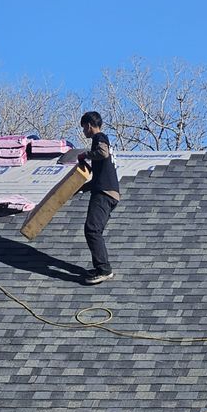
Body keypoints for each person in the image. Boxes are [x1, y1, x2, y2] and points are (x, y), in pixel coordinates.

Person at [78, 111, 120, 284]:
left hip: (104, 194)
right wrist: (79, 188)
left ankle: (104, 269)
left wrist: (85, 155)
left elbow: (102, 153)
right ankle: (101, 266)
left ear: (89, 125)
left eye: (83, 128)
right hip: (107, 192)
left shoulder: (99, 138)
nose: (84, 132)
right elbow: (98, 178)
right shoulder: (101, 140)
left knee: (92, 230)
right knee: (95, 230)